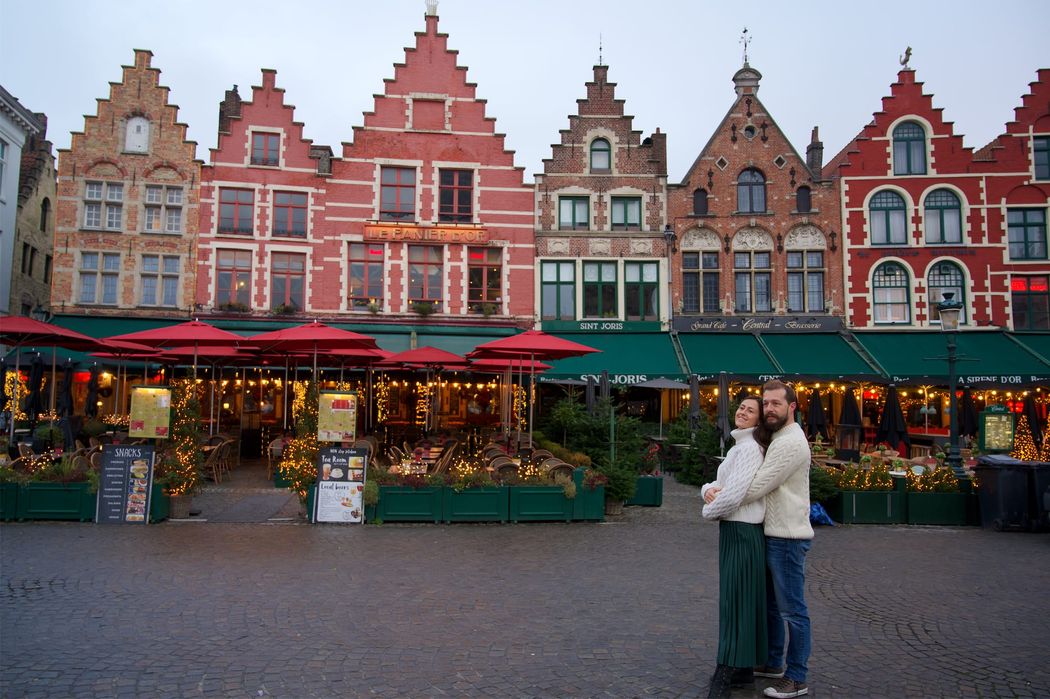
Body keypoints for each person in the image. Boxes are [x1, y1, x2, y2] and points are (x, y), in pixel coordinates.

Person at [744, 379, 814, 698]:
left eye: (776, 403)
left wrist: (716, 495)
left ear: (792, 407)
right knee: (772, 606)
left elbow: (759, 485)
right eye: (766, 403)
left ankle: (797, 676)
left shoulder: (789, 442)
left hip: (786, 537)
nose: (769, 409)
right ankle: (773, 662)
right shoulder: (780, 436)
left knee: (792, 610)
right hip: (775, 533)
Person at [700, 396, 772, 698]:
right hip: (735, 530)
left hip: (742, 530)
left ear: (759, 420)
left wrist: (708, 510)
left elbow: (735, 494)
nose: (742, 412)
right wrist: (707, 491)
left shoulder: (749, 450)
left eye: (750, 410)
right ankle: (741, 670)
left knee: (736, 601)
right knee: (741, 599)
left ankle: (727, 669)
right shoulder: (738, 448)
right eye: (741, 407)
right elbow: (717, 486)